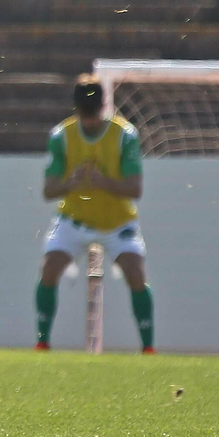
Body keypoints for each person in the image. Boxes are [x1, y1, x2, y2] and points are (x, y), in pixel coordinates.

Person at [35, 76, 154, 353]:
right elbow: (48, 191)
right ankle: (42, 342)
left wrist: (104, 182)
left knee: (136, 272)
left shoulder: (125, 135)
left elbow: (135, 189)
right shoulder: (61, 136)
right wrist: (70, 184)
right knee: (49, 267)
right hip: (74, 219)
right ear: (76, 109)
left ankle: (149, 347)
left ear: (104, 107)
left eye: (93, 113)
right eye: (84, 114)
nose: (89, 121)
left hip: (117, 221)